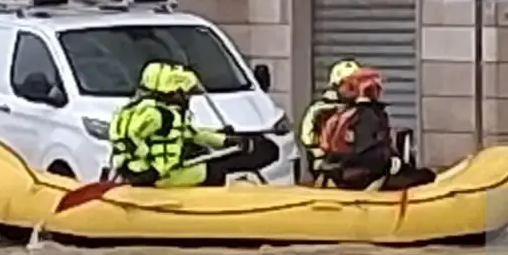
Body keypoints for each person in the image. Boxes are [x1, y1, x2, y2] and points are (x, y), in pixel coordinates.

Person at [109, 61, 279, 187]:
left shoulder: (133, 110)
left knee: (215, 159)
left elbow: (190, 134)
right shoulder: (162, 115)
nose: (188, 98)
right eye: (186, 94)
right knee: (217, 170)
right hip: (165, 177)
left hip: (133, 174)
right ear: (175, 92)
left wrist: (226, 140)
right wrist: (151, 171)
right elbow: (138, 139)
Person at [313, 65, 436, 191]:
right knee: (426, 176)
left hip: (341, 175)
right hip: (364, 178)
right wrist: (393, 162)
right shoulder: (372, 115)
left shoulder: (342, 114)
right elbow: (372, 153)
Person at [299, 60, 362, 184]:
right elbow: (307, 137)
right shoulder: (320, 110)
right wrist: (319, 156)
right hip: (328, 165)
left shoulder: (362, 109)